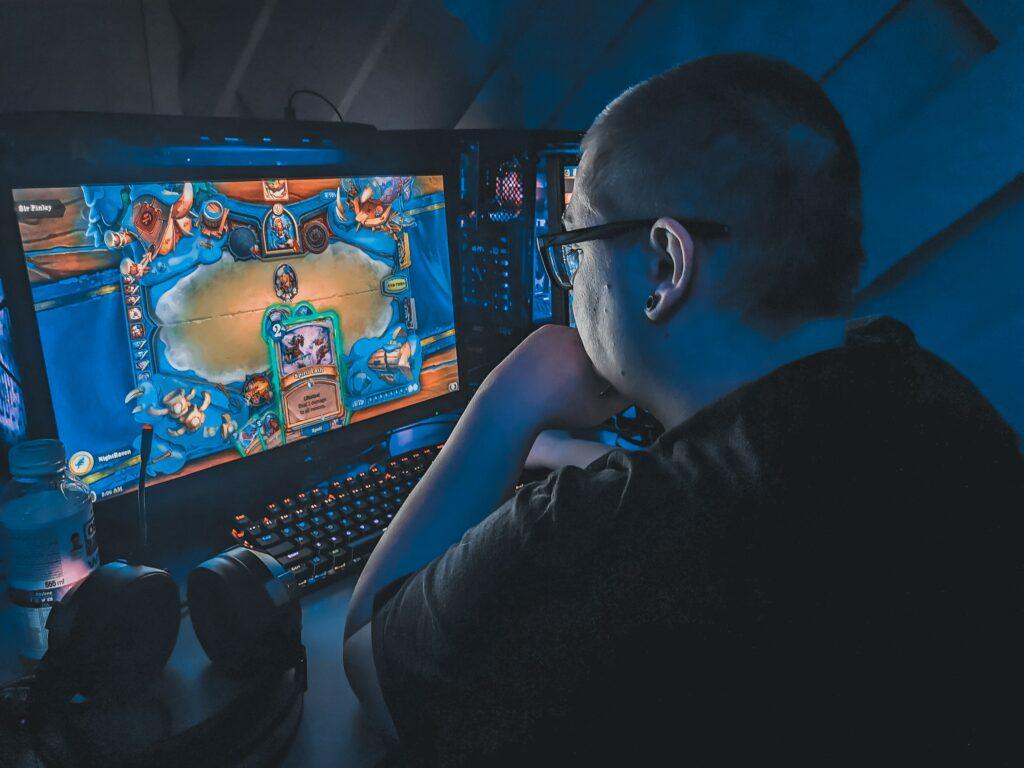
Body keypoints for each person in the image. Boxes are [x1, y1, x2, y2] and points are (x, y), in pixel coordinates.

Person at [343, 54, 1023, 766]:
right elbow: (733, 478)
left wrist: (507, 406)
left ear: (665, 267)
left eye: (575, 249)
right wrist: (588, 459)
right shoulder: (920, 387)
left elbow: (370, 659)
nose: (573, 282)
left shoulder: (600, 541)